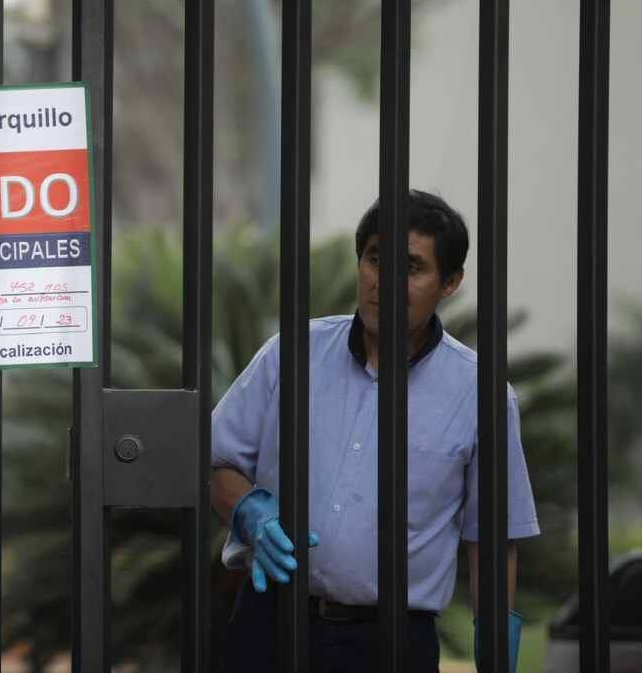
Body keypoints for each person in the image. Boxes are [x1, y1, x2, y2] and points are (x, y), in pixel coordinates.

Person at [211, 190, 539, 673]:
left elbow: (490, 540)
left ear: (450, 283)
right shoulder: (292, 354)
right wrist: (249, 512)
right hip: (270, 626)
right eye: (374, 259)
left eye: (410, 267)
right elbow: (216, 460)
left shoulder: (481, 393)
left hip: (390, 645)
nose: (384, 281)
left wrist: (496, 652)